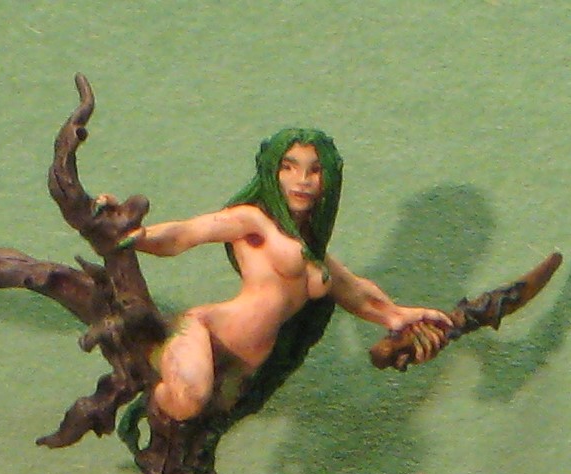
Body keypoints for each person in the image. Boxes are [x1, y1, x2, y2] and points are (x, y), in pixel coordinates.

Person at [107, 128, 451, 422]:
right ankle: (155, 389)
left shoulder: (315, 255)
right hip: (207, 332)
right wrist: (141, 236)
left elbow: (356, 292)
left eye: (314, 170)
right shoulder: (254, 222)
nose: (302, 180)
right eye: (289, 167)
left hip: (243, 366)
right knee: (190, 400)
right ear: (273, 172)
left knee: (212, 414)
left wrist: (396, 315)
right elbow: (187, 233)